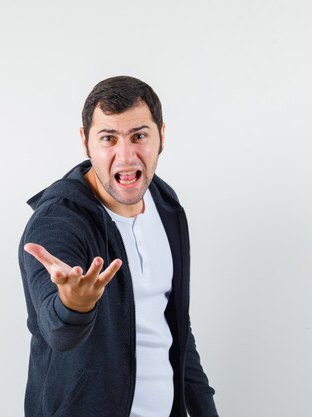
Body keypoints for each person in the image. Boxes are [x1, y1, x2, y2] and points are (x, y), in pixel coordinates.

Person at [18, 76, 219, 417]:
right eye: (108, 138)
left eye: (139, 136)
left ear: (161, 137)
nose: (125, 156)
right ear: (86, 142)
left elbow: (174, 326)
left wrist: (204, 409)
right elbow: (58, 332)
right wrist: (73, 306)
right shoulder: (57, 224)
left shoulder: (166, 205)